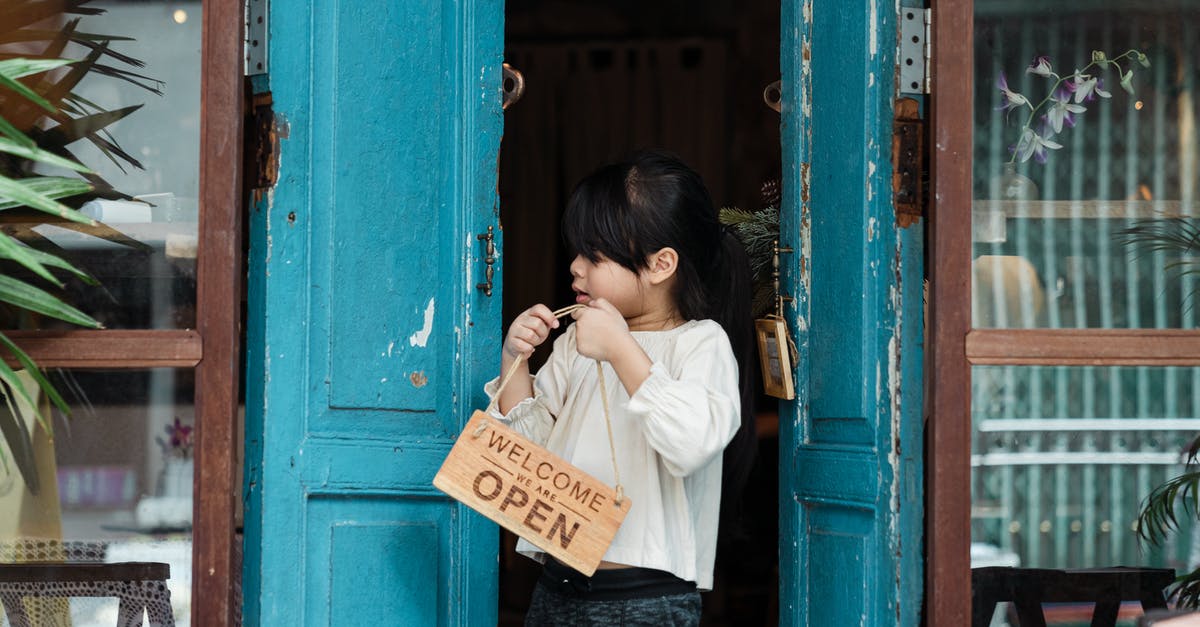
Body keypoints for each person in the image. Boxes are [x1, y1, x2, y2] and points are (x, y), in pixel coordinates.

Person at [486, 150, 755, 626]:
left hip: (644, 599)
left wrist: (621, 350)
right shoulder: (575, 343)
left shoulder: (700, 344)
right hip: (556, 585)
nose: (574, 266)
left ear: (660, 264)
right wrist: (516, 360)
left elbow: (691, 444)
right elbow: (528, 456)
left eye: (594, 254)